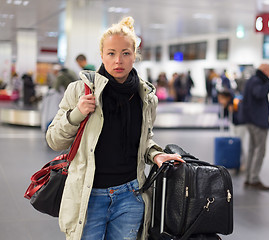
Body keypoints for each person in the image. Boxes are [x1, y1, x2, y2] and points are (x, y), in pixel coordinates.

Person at [46, 16, 183, 240]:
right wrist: (77, 113)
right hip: (90, 196)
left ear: (134, 56)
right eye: (111, 53)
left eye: (125, 53)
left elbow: (143, 139)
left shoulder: (145, 97)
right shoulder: (80, 91)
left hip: (130, 196)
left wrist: (156, 154)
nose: (118, 60)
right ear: (102, 55)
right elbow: (54, 140)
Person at [241, 63, 269, 191]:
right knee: (260, 150)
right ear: (264, 71)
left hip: (251, 121)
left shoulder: (251, 80)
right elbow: (259, 94)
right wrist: (268, 84)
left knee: (252, 149)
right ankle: (254, 178)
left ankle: (249, 177)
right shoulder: (257, 81)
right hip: (258, 122)